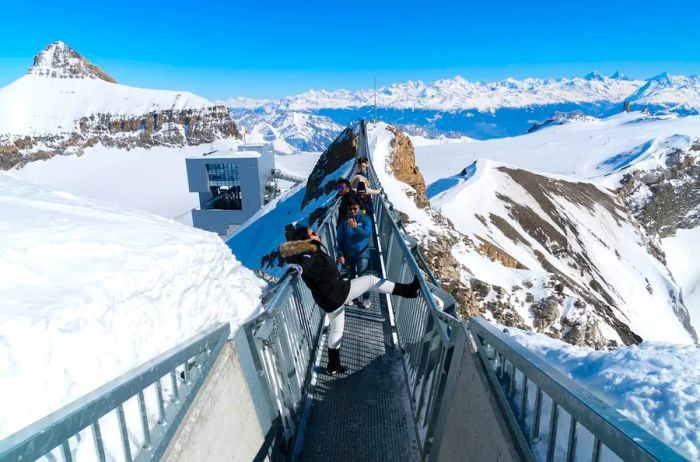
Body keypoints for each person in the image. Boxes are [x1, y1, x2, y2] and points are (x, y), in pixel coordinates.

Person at [279, 226, 421, 375]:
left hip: (326, 299)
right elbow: (305, 262)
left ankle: (333, 366)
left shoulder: (301, 250)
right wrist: (298, 268)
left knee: (337, 329)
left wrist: (298, 266)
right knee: (372, 280)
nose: (316, 233)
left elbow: (304, 262)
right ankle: (409, 291)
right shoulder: (310, 250)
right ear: (306, 239)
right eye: (312, 233)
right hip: (337, 292)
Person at [337, 198, 372, 308]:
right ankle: (352, 297)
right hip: (348, 254)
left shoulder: (365, 219)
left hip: (363, 253)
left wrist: (356, 227)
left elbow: (366, 235)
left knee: (363, 276)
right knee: (351, 276)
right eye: (350, 208)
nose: (352, 211)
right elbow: (340, 239)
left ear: (359, 208)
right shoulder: (343, 221)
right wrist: (340, 254)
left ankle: (366, 298)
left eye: (355, 208)